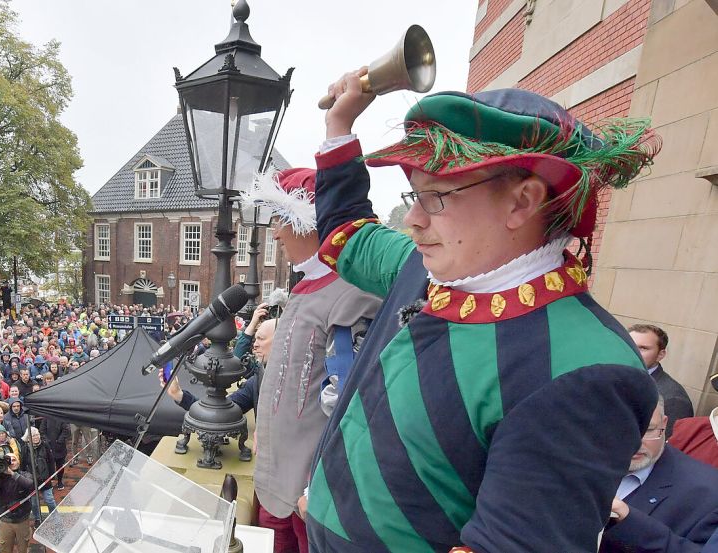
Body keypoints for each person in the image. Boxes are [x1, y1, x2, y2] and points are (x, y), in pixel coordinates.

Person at [303, 74, 662, 551]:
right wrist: (340, 125)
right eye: (416, 195)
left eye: (437, 197)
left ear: (523, 201)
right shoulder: (427, 266)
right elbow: (344, 234)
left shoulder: (587, 369)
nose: (412, 219)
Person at [241, 167, 382, 553]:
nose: (275, 233)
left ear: (306, 221)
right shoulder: (307, 286)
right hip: (281, 484)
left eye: (280, 220)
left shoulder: (353, 294)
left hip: (310, 495)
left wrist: (316, 487)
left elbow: (352, 406)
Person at [601, 398, 718, 551]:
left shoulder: (709, 493)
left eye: (649, 430)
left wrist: (630, 522)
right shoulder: (575, 457)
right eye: (624, 429)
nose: (636, 442)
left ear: (664, 424)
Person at [629, 324, 694, 436]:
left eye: (643, 348)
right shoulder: (611, 379)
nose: (633, 352)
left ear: (660, 354)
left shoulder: (673, 399)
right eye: (629, 346)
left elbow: (667, 444)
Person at [0, 453, 34, 553]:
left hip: (22, 520)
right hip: (5, 520)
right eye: (9, 460)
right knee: (5, 549)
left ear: (19, 462)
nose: (12, 462)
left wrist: (12, 474)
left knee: (23, 549)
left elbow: (30, 485)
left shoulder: (25, 475)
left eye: (14, 460)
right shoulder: (0, 478)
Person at [20, 426, 55, 522]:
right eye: (33, 436)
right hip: (32, 481)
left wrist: (52, 475)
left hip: (45, 478)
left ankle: (55, 517)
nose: (36, 437)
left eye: (37, 435)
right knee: (34, 503)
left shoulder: (45, 445)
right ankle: (37, 519)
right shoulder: (24, 449)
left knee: (50, 500)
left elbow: (51, 461)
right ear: (28, 438)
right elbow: (22, 465)